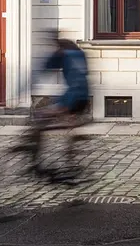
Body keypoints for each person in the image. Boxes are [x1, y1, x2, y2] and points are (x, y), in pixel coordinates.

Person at [12, 31, 91, 183]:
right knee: (44, 122)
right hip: (71, 96)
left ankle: (66, 165)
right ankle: (44, 163)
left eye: (54, 46)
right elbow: (43, 69)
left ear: (59, 45)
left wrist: (61, 107)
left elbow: (78, 84)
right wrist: (23, 91)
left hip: (78, 98)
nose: (53, 50)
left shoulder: (73, 57)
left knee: (45, 122)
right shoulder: (64, 54)